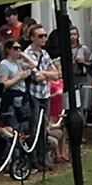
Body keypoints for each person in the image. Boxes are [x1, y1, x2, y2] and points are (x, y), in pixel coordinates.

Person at [22, 25, 60, 168]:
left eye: (45, 35)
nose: (43, 38)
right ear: (32, 38)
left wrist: (44, 74)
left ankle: (43, 158)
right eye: (40, 36)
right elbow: (36, 77)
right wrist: (45, 74)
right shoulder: (27, 54)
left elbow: (56, 74)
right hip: (33, 95)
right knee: (34, 128)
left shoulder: (45, 54)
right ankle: (33, 159)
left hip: (45, 94)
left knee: (43, 128)